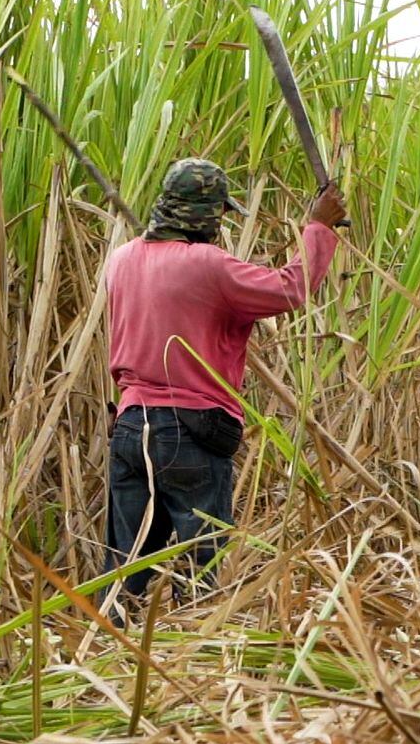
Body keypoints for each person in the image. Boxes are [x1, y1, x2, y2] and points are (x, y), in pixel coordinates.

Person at [103, 158, 347, 608]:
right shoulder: (208, 265)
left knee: (124, 570)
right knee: (202, 569)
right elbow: (290, 289)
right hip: (190, 431)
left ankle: (101, 655)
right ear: (208, 214)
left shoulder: (121, 260)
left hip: (130, 425)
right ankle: (197, 659)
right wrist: (318, 228)